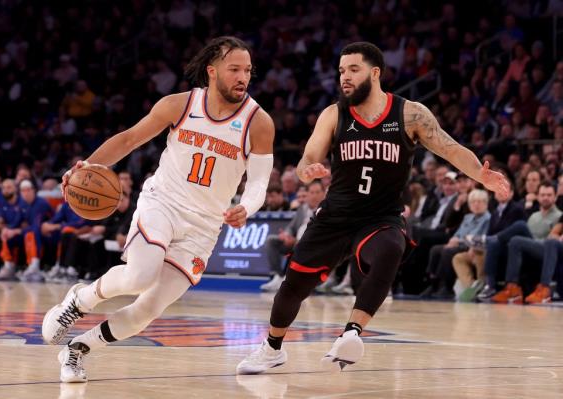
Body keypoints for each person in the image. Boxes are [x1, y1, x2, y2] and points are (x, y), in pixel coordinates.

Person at [236, 42, 508, 375]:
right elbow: (309, 156)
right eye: (340, 71)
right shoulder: (334, 114)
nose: (344, 77)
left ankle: (351, 332)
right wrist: (308, 169)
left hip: (381, 217)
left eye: (353, 69)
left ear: (375, 72)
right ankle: (272, 348)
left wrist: (480, 173)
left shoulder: (410, 113)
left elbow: (450, 148)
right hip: (336, 216)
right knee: (293, 286)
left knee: (391, 248)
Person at [41, 36, 274, 383]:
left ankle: (79, 349)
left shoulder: (259, 122)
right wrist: (84, 166)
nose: (243, 77)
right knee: (140, 275)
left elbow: (258, 183)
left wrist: (247, 206)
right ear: (212, 71)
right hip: (162, 203)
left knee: (146, 311)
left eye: (248, 71)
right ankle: (79, 301)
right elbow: (128, 139)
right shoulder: (179, 105)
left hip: (204, 228)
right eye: (235, 69)